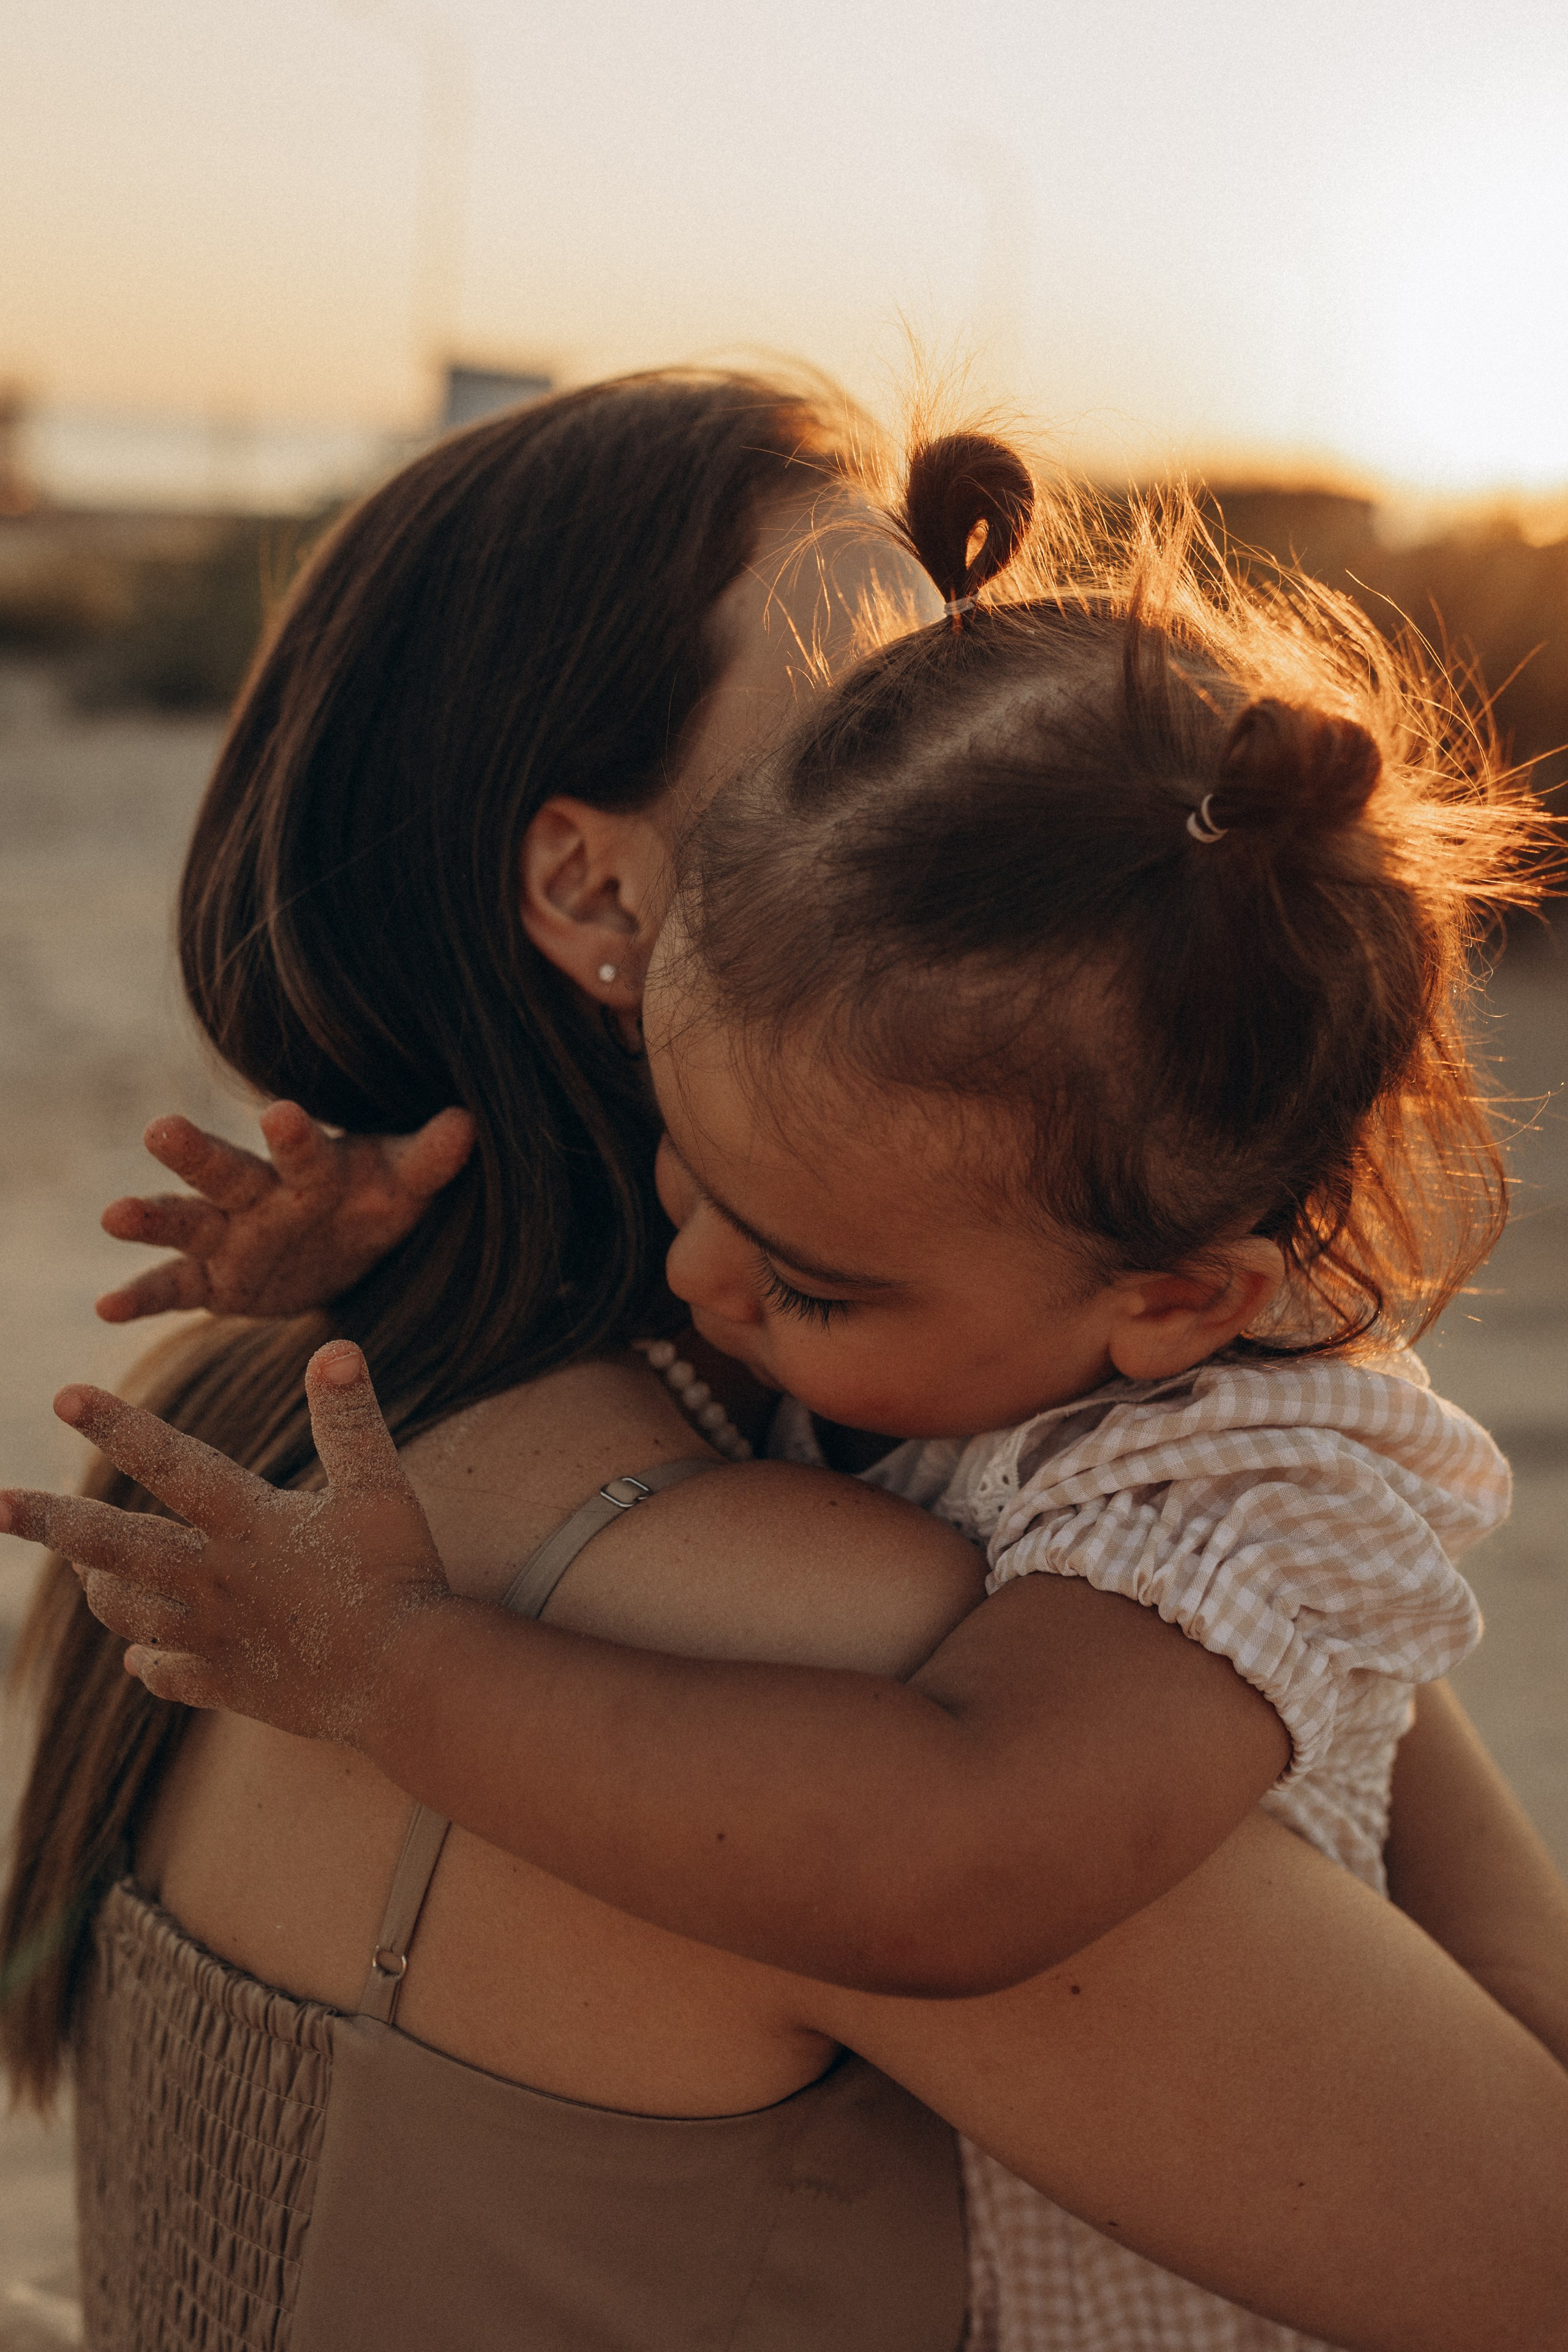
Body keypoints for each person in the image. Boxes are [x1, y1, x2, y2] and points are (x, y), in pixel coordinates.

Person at [6, 395, 1568, 2352]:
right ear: (592, 897)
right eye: (862, 716)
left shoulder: (296, 1416)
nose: (957, 760)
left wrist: (1288, 1594)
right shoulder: (803, 1636)